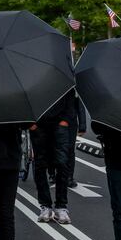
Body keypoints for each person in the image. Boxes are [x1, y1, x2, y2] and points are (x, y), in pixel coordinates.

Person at [30, 90, 76, 224]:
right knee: (40, 165)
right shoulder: (32, 73)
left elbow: (71, 96)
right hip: (38, 124)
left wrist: (65, 120)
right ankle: (45, 205)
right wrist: (31, 124)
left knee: (62, 163)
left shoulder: (63, 74)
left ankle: (61, 206)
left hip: (59, 123)